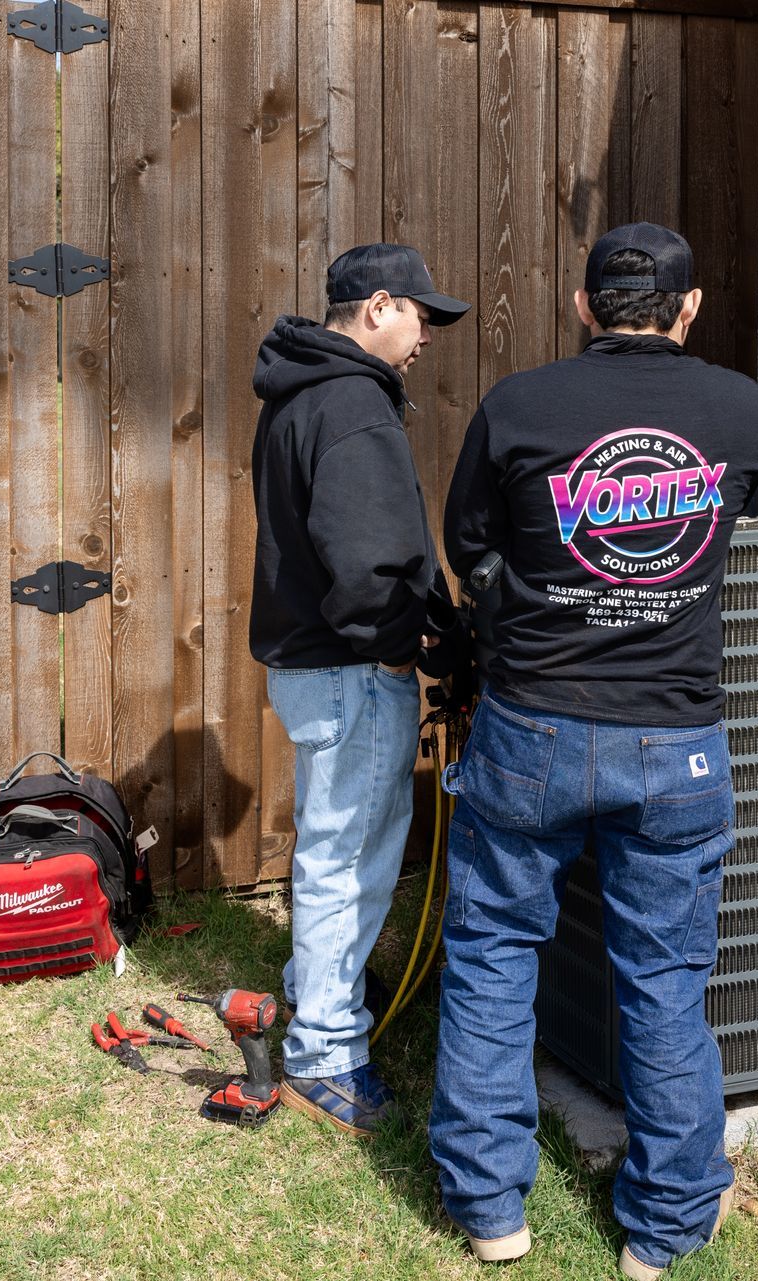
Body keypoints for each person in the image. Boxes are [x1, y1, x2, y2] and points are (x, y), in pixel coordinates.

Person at [429, 223, 758, 1278]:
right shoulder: (738, 409)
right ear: (691, 308)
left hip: (533, 727)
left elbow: (470, 544)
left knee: (492, 956)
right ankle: (664, 1233)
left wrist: (525, 608)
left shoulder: (519, 406)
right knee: (664, 979)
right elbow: (725, 531)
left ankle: (491, 1213)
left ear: (582, 309)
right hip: (676, 742)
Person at [249, 242, 470, 1136]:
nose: (425, 339)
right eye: (421, 316)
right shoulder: (352, 403)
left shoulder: (301, 391)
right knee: (347, 858)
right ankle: (326, 1056)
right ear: (379, 307)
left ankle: (316, 987)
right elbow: (371, 561)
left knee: (332, 843)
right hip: (349, 670)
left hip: (313, 666)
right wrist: (391, 651)